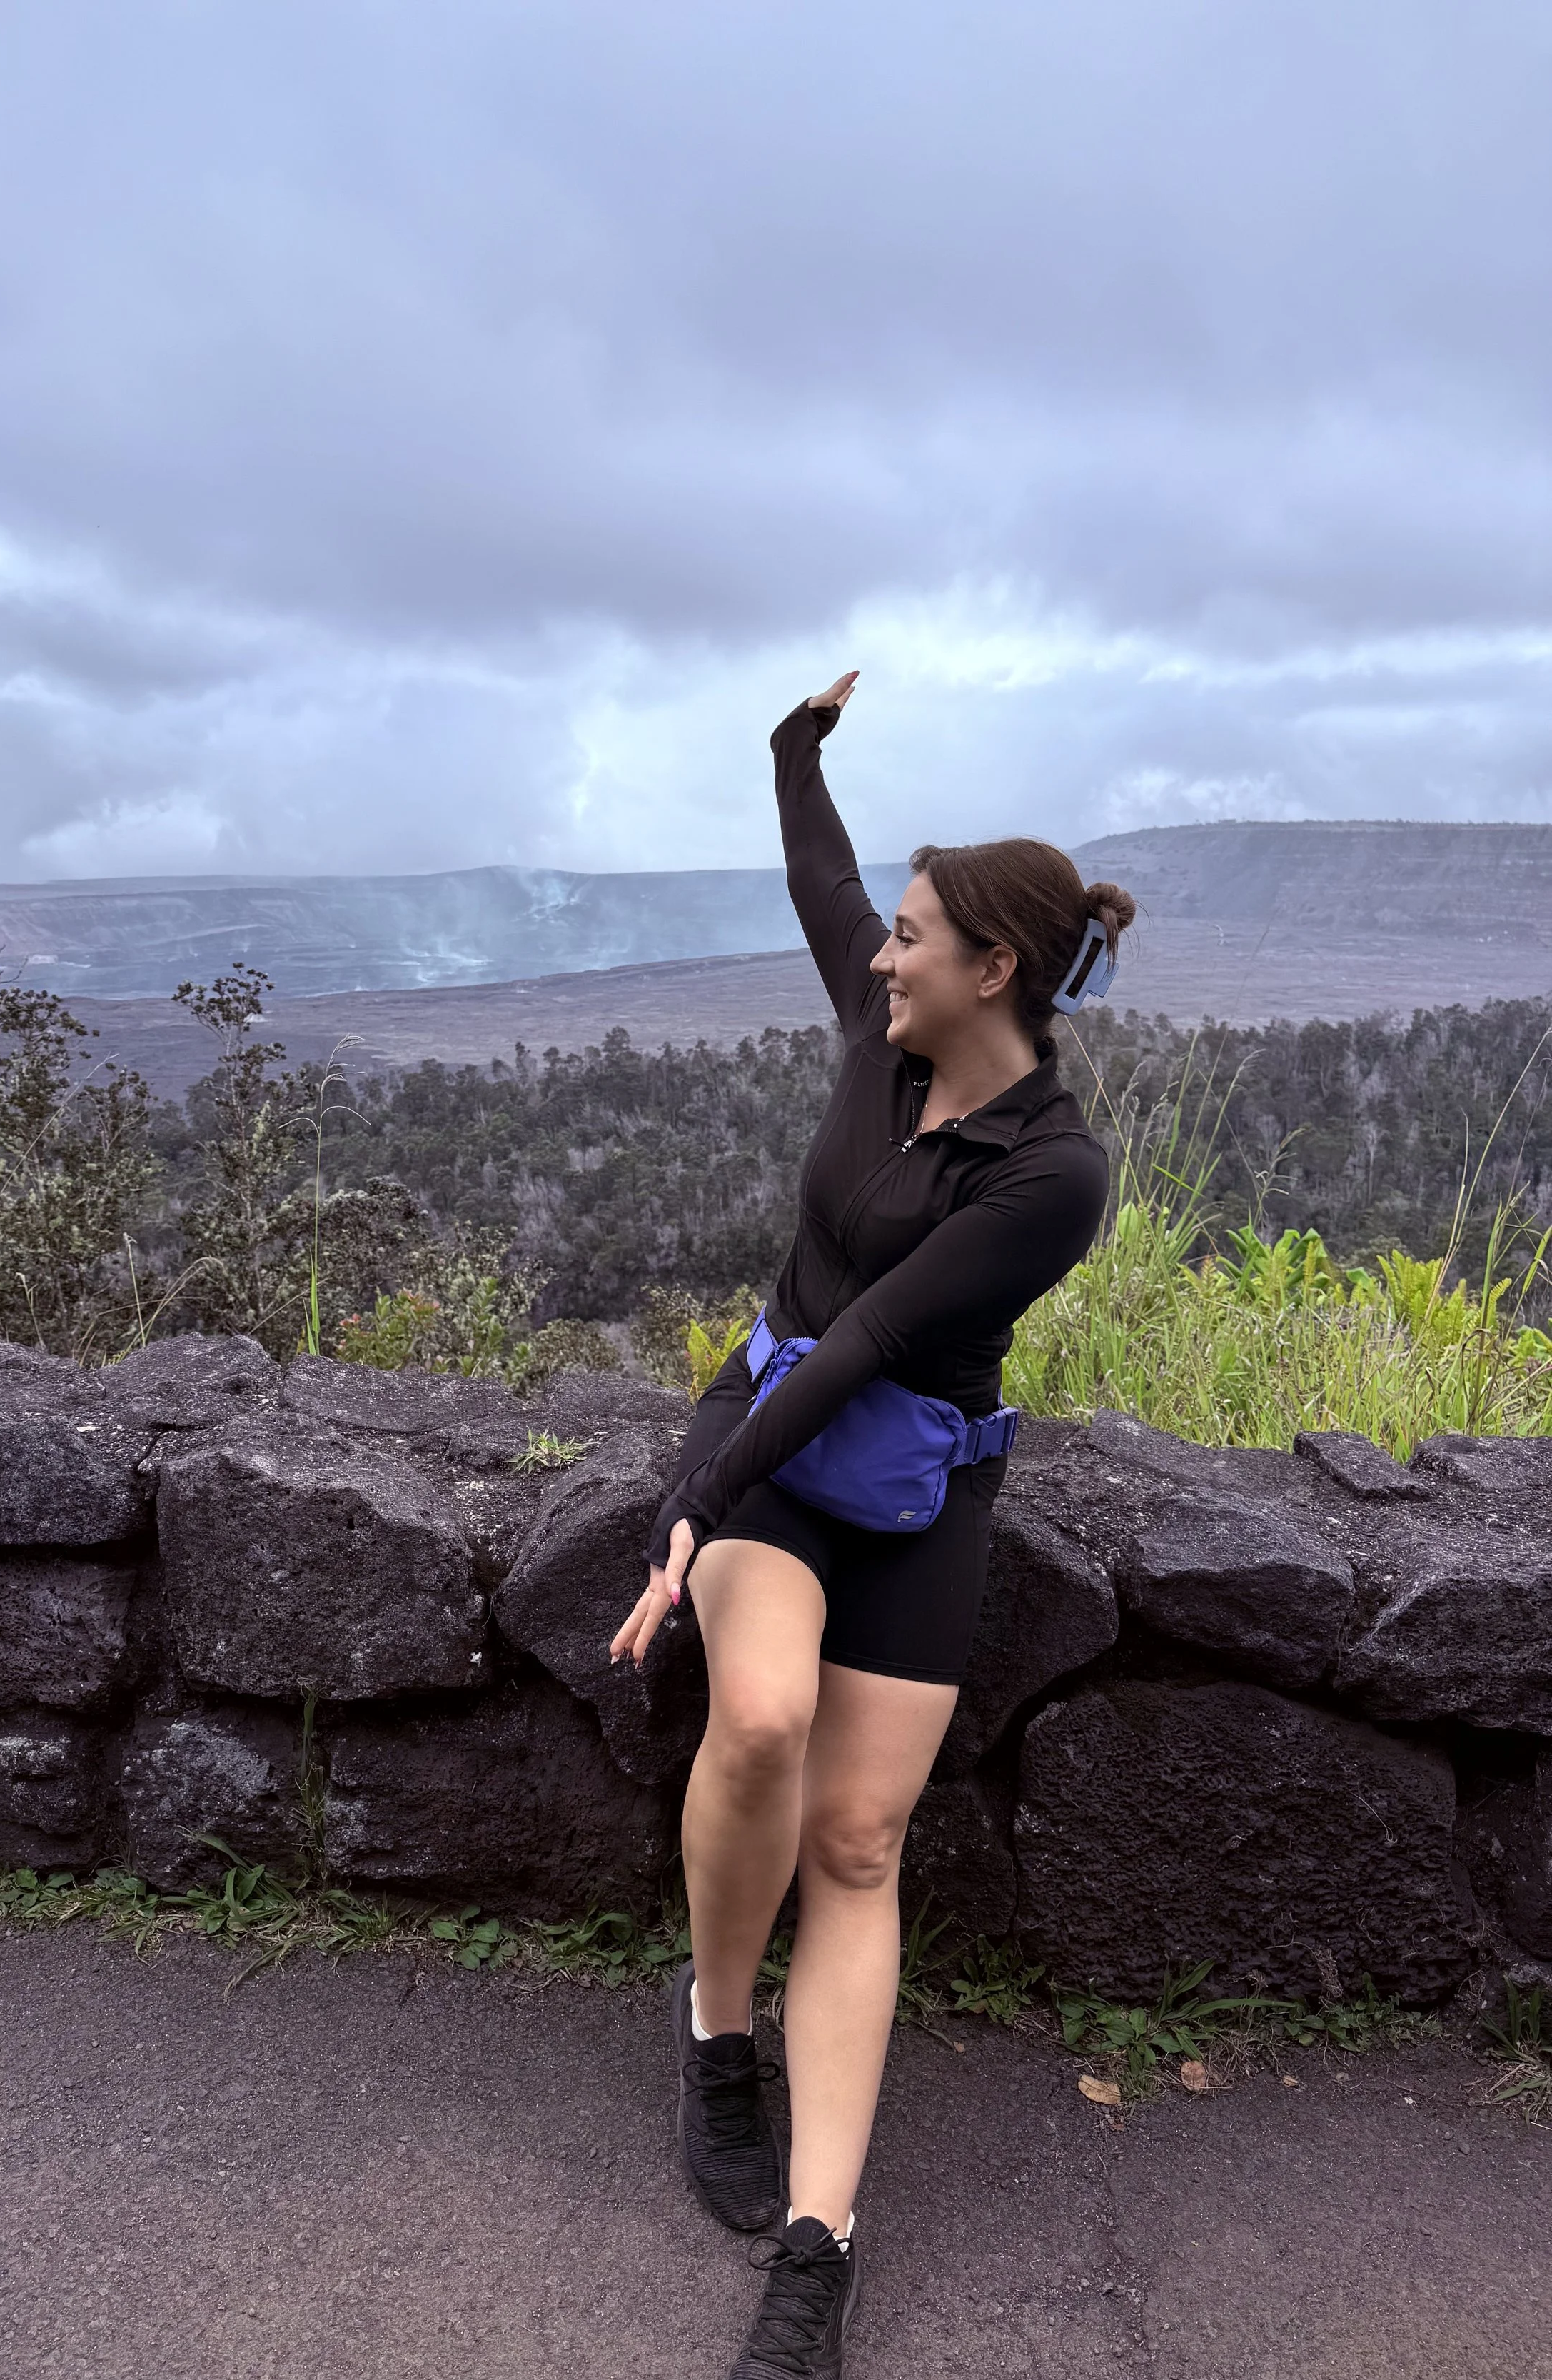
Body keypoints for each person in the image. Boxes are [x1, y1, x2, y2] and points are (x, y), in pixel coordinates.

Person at [610, 671, 1134, 2379]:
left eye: (912, 941)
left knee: (856, 1837)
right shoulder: (879, 1016)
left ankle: (815, 2260)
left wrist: (687, 1501)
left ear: (995, 971)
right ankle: (711, 2033)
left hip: (911, 1476)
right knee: (756, 1716)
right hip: (772, 1437)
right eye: (885, 937)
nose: (877, 958)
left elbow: (877, 1342)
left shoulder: (1051, 1171)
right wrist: (790, 750)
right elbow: (817, 881)